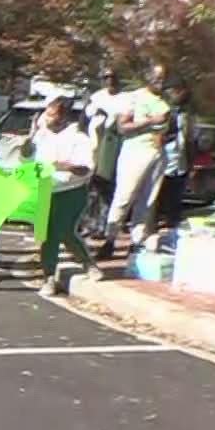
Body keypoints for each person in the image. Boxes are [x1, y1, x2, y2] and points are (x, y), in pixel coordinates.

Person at [29, 95, 101, 296]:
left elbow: (85, 169)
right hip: (45, 189)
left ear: (63, 116)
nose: (47, 117)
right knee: (48, 235)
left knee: (59, 232)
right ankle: (53, 275)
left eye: (52, 114)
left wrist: (60, 165)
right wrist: (31, 134)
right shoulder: (41, 134)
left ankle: (60, 274)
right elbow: (26, 155)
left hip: (70, 192)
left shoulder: (79, 138)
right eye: (46, 113)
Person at [99, 63, 171, 256]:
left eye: (164, 79)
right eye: (157, 78)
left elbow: (170, 127)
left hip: (158, 152)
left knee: (148, 199)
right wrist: (149, 121)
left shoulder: (165, 101)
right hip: (136, 151)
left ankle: (137, 240)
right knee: (125, 196)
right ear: (147, 78)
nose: (161, 83)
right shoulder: (134, 98)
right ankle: (110, 238)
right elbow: (123, 127)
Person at [83, 64, 127, 228]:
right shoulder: (97, 97)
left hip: (112, 145)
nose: (110, 81)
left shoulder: (124, 98)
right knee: (92, 187)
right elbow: (87, 115)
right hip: (94, 144)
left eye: (112, 77)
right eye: (106, 78)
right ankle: (89, 223)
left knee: (108, 187)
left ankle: (104, 223)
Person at [152, 78, 195, 235]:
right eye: (177, 91)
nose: (180, 94)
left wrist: (191, 163)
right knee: (157, 199)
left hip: (180, 163)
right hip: (163, 161)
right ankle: (152, 226)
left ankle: (172, 226)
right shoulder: (162, 111)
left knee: (175, 200)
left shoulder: (187, 115)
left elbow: (190, 139)